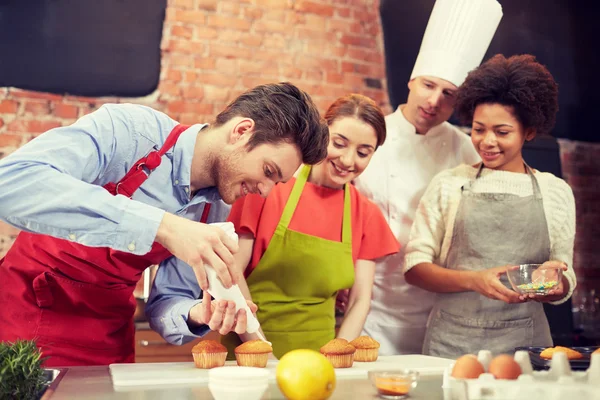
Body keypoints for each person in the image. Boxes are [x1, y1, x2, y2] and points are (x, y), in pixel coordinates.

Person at [0, 82, 329, 367]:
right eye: (269, 171)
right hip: (27, 316)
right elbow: (12, 184)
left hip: (107, 337)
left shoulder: (213, 211)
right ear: (241, 131)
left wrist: (196, 313)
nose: (266, 190)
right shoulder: (130, 132)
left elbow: (164, 303)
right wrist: (165, 227)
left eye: (278, 182)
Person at [147, 94, 399, 358]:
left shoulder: (366, 214)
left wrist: (337, 354)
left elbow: (360, 299)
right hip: (249, 351)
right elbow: (234, 272)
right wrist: (260, 348)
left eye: (363, 152)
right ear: (323, 136)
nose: (348, 160)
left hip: (320, 358)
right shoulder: (266, 187)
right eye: (339, 143)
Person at [353, 0, 503, 355]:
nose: (434, 100)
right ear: (411, 81)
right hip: (370, 304)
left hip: (441, 307)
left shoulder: (468, 150)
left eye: (449, 93)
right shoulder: (368, 137)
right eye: (428, 85)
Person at [403, 54, 577, 358]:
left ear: (530, 132)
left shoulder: (555, 192)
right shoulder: (449, 184)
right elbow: (415, 269)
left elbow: (564, 277)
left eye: (502, 131)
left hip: (526, 348)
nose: (487, 141)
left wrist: (554, 282)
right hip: (451, 346)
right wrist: (474, 280)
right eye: (478, 129)